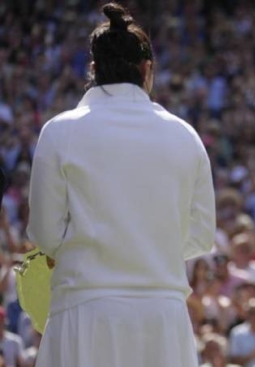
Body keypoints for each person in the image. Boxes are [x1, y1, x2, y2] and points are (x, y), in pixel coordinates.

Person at [26, 3, 216, 367]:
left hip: (85, 310)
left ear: (94, 70)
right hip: (162, 318)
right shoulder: (185, 135)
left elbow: (46, 235)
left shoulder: (60, 131)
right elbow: (202, 235)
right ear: (147, 70)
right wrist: (146, 249)